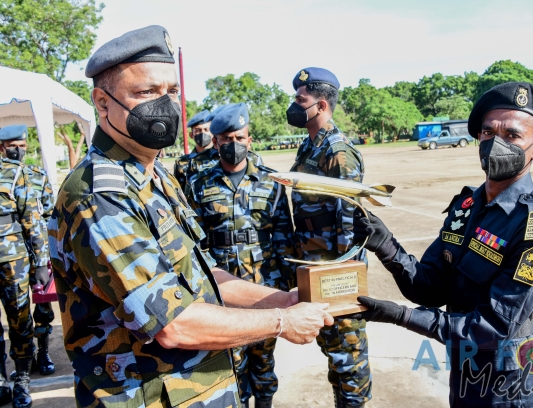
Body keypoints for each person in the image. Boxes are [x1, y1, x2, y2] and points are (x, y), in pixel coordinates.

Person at [48, 25, 333, 407]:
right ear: (102, 102)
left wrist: (281, 300)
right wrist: (282, 323)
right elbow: (174, 324)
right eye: (147, 92)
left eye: (172, 91)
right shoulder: (99, 195)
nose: (165, 104)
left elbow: (204, 275)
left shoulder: (155, 176)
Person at [352, 82, 533, 407]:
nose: (496, 143)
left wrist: (402, 316)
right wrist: (384, 243)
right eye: (488, 132)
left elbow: (495, 326)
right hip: (466, 365)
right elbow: (429, 288)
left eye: (512, 135)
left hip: (510, 379)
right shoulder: (467, 206)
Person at [187, 102, 295, 408]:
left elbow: (284, 236)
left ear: (249, 140)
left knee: (264, 361)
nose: (233, 144)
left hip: (265, 285)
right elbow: (195, 243)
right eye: (226, 139)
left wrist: (287, 286)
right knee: (230, 364)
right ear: (216, 141)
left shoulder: (271, 181)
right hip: (223, 291)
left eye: (239, 138)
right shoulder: (199, 184)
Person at [287, 67, 372, 408]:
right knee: (332, 351)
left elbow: (349, 221)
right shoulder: (309, 146)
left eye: (300, 99)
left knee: (348, 355)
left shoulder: (338, 151)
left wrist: (344, 283)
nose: (294, 105)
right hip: (316, 265)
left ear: (320, 106)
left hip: (336, 272)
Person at [0, 124, 50, 408]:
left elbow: (32, 219)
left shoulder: (15, 173)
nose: (17, 151)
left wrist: (41, 262)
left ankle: (21, 379)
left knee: (19, 320)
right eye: (12, 146)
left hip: (13, 262)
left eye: (21, 146)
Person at [173, 109, 214, 192]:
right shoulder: (182, 163)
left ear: (213, 132)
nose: (202, 133)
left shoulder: (222, 159)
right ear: (191, 135)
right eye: (198, 130)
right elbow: (179, 193)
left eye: (206, 129)